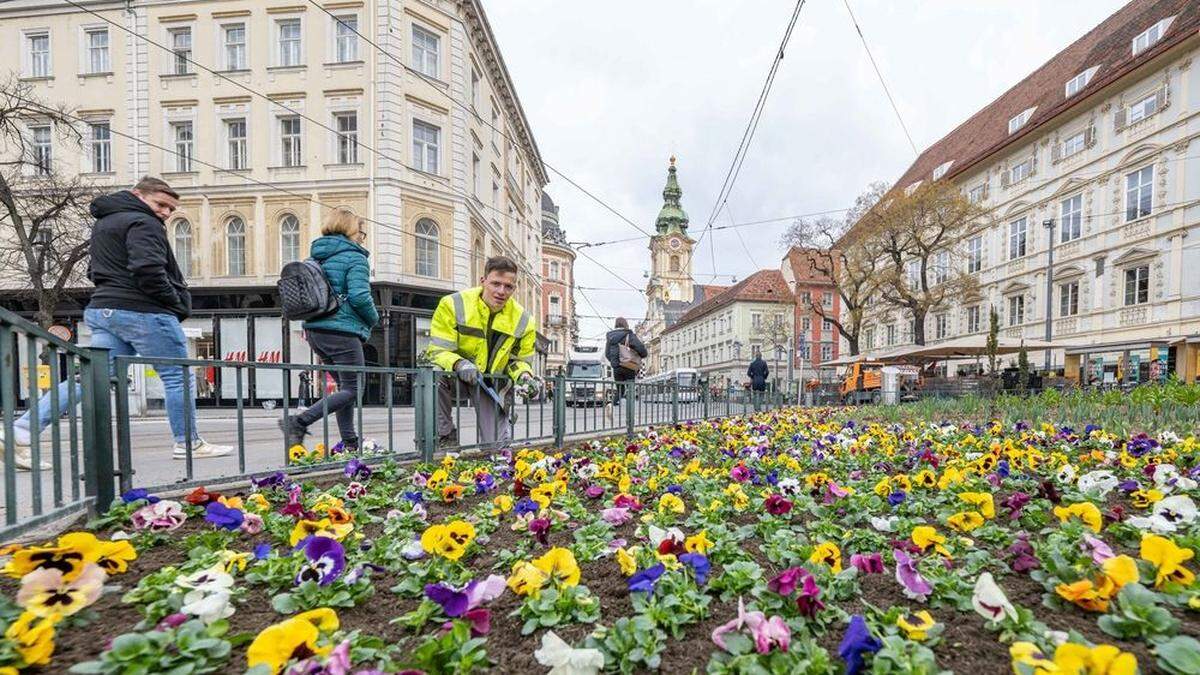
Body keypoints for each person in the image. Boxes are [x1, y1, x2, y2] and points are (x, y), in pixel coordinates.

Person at [4, 177, 233, 469]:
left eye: (170, 209)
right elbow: (148, 269)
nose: (164, 212)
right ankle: (188, 442)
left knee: (89, 378)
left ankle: (20, 431)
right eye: (160, 204)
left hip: (103, 309)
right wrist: (173, 302)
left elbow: (92, 270)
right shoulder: (143, 222)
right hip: (143, 311)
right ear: (138, 195)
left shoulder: (104, 223)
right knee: (179, 375)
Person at [279, 208, 378, 452]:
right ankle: (299, 421)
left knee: (346, 389)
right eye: (361, 232)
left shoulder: (315, 256)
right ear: (351, 230)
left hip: (316, 331)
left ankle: (351, 443)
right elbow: (360, 297)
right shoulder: (355, 257)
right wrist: (373, 320)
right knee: (354, 389)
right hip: (342, 332)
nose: (362, 237)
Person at [426, 256, 536, 449]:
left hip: (490, 383)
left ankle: (493, 451)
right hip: (455, 376)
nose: (501, 291)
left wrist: (525, 376)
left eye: (508, 287)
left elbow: (519, 360)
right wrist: (459, 364)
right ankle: (445, 435)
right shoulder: (453, 304)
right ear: (483, 281)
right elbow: (438, 350)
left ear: (514, 288)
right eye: (496, 284)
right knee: (434, 373)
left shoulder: (524, 320)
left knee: (496, 448)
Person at [603, 317, 646, 422]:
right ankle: (630, 417)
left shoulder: (610, 337)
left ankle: (611, 404)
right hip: (628, 365)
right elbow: (642, 350)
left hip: (617, 368)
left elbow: (607, 354)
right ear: (625, 324)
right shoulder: (628, 334)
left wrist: (615, 363)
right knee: (631, 389)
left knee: (620, 390)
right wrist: (640, 355)